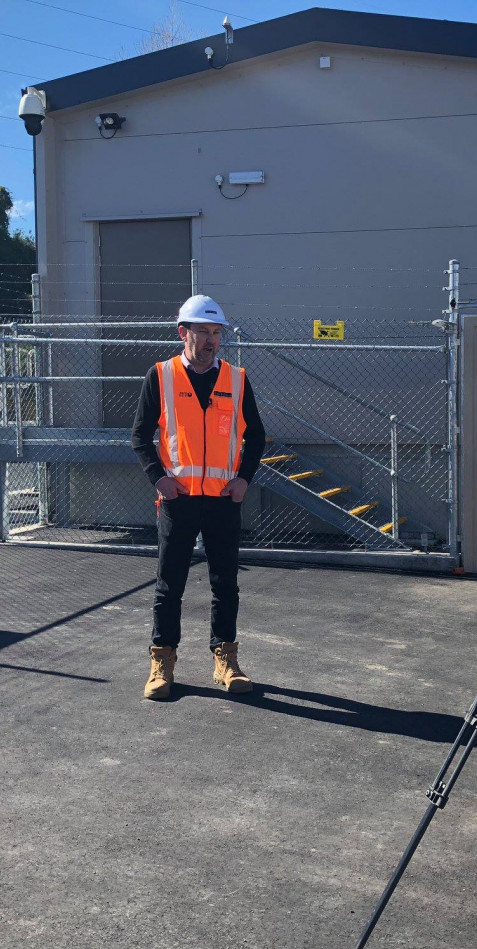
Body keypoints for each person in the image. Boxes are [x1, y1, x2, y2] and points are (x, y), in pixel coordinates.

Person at [131, 294, 266, 700]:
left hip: (224, 500)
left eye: (216, 332)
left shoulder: (237, 379)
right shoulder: (161, 375)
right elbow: (140, 436)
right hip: (179, 500)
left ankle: (226, 660)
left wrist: (243, 479)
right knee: (169, 585)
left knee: (226, 584)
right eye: (203, 332)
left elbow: (256, 435)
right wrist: (159, 479)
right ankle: (162, 662)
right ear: (183, 333)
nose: (211, 341)